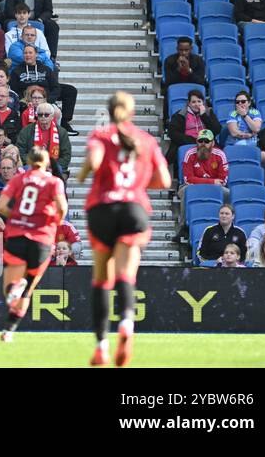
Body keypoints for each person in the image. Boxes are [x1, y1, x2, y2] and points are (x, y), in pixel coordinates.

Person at [77, 91, 170, 367]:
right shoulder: (146, 140)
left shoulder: (101, 136)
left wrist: (82, 175)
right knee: (126, 277)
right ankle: (127, 328)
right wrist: (137, 185)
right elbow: (164, 180)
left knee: (102, 279)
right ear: (132, 112)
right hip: (134, 209)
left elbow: (93, 163)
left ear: (109, 111)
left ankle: (101, 347)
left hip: (102, 209)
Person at [0, 147, 67, 342]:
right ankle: (9, 330)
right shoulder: (54, 182)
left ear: (27, 160)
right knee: (28, 290)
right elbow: (62, 207)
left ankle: (15, 290)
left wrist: (18, 217)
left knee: (10, 289)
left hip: (18, 236)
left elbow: (1, 206)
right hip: (42, 240)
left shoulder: (19, 179)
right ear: (46, 163)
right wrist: (54, 222)